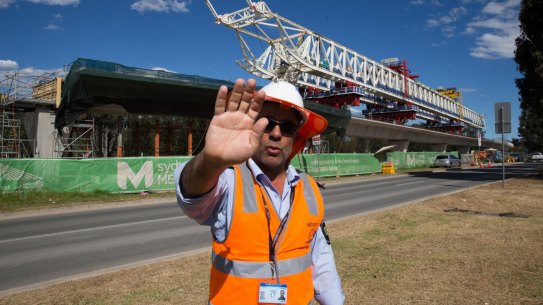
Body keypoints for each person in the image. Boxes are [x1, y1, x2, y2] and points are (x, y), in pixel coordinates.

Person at [174, 78, 344, 305]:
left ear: (295, 137)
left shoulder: (309, 188)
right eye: (267, 123)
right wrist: (210, 161)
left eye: (287, 127)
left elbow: (320, 256)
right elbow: (192, 198)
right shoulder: (229, 179)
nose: (276, 133)